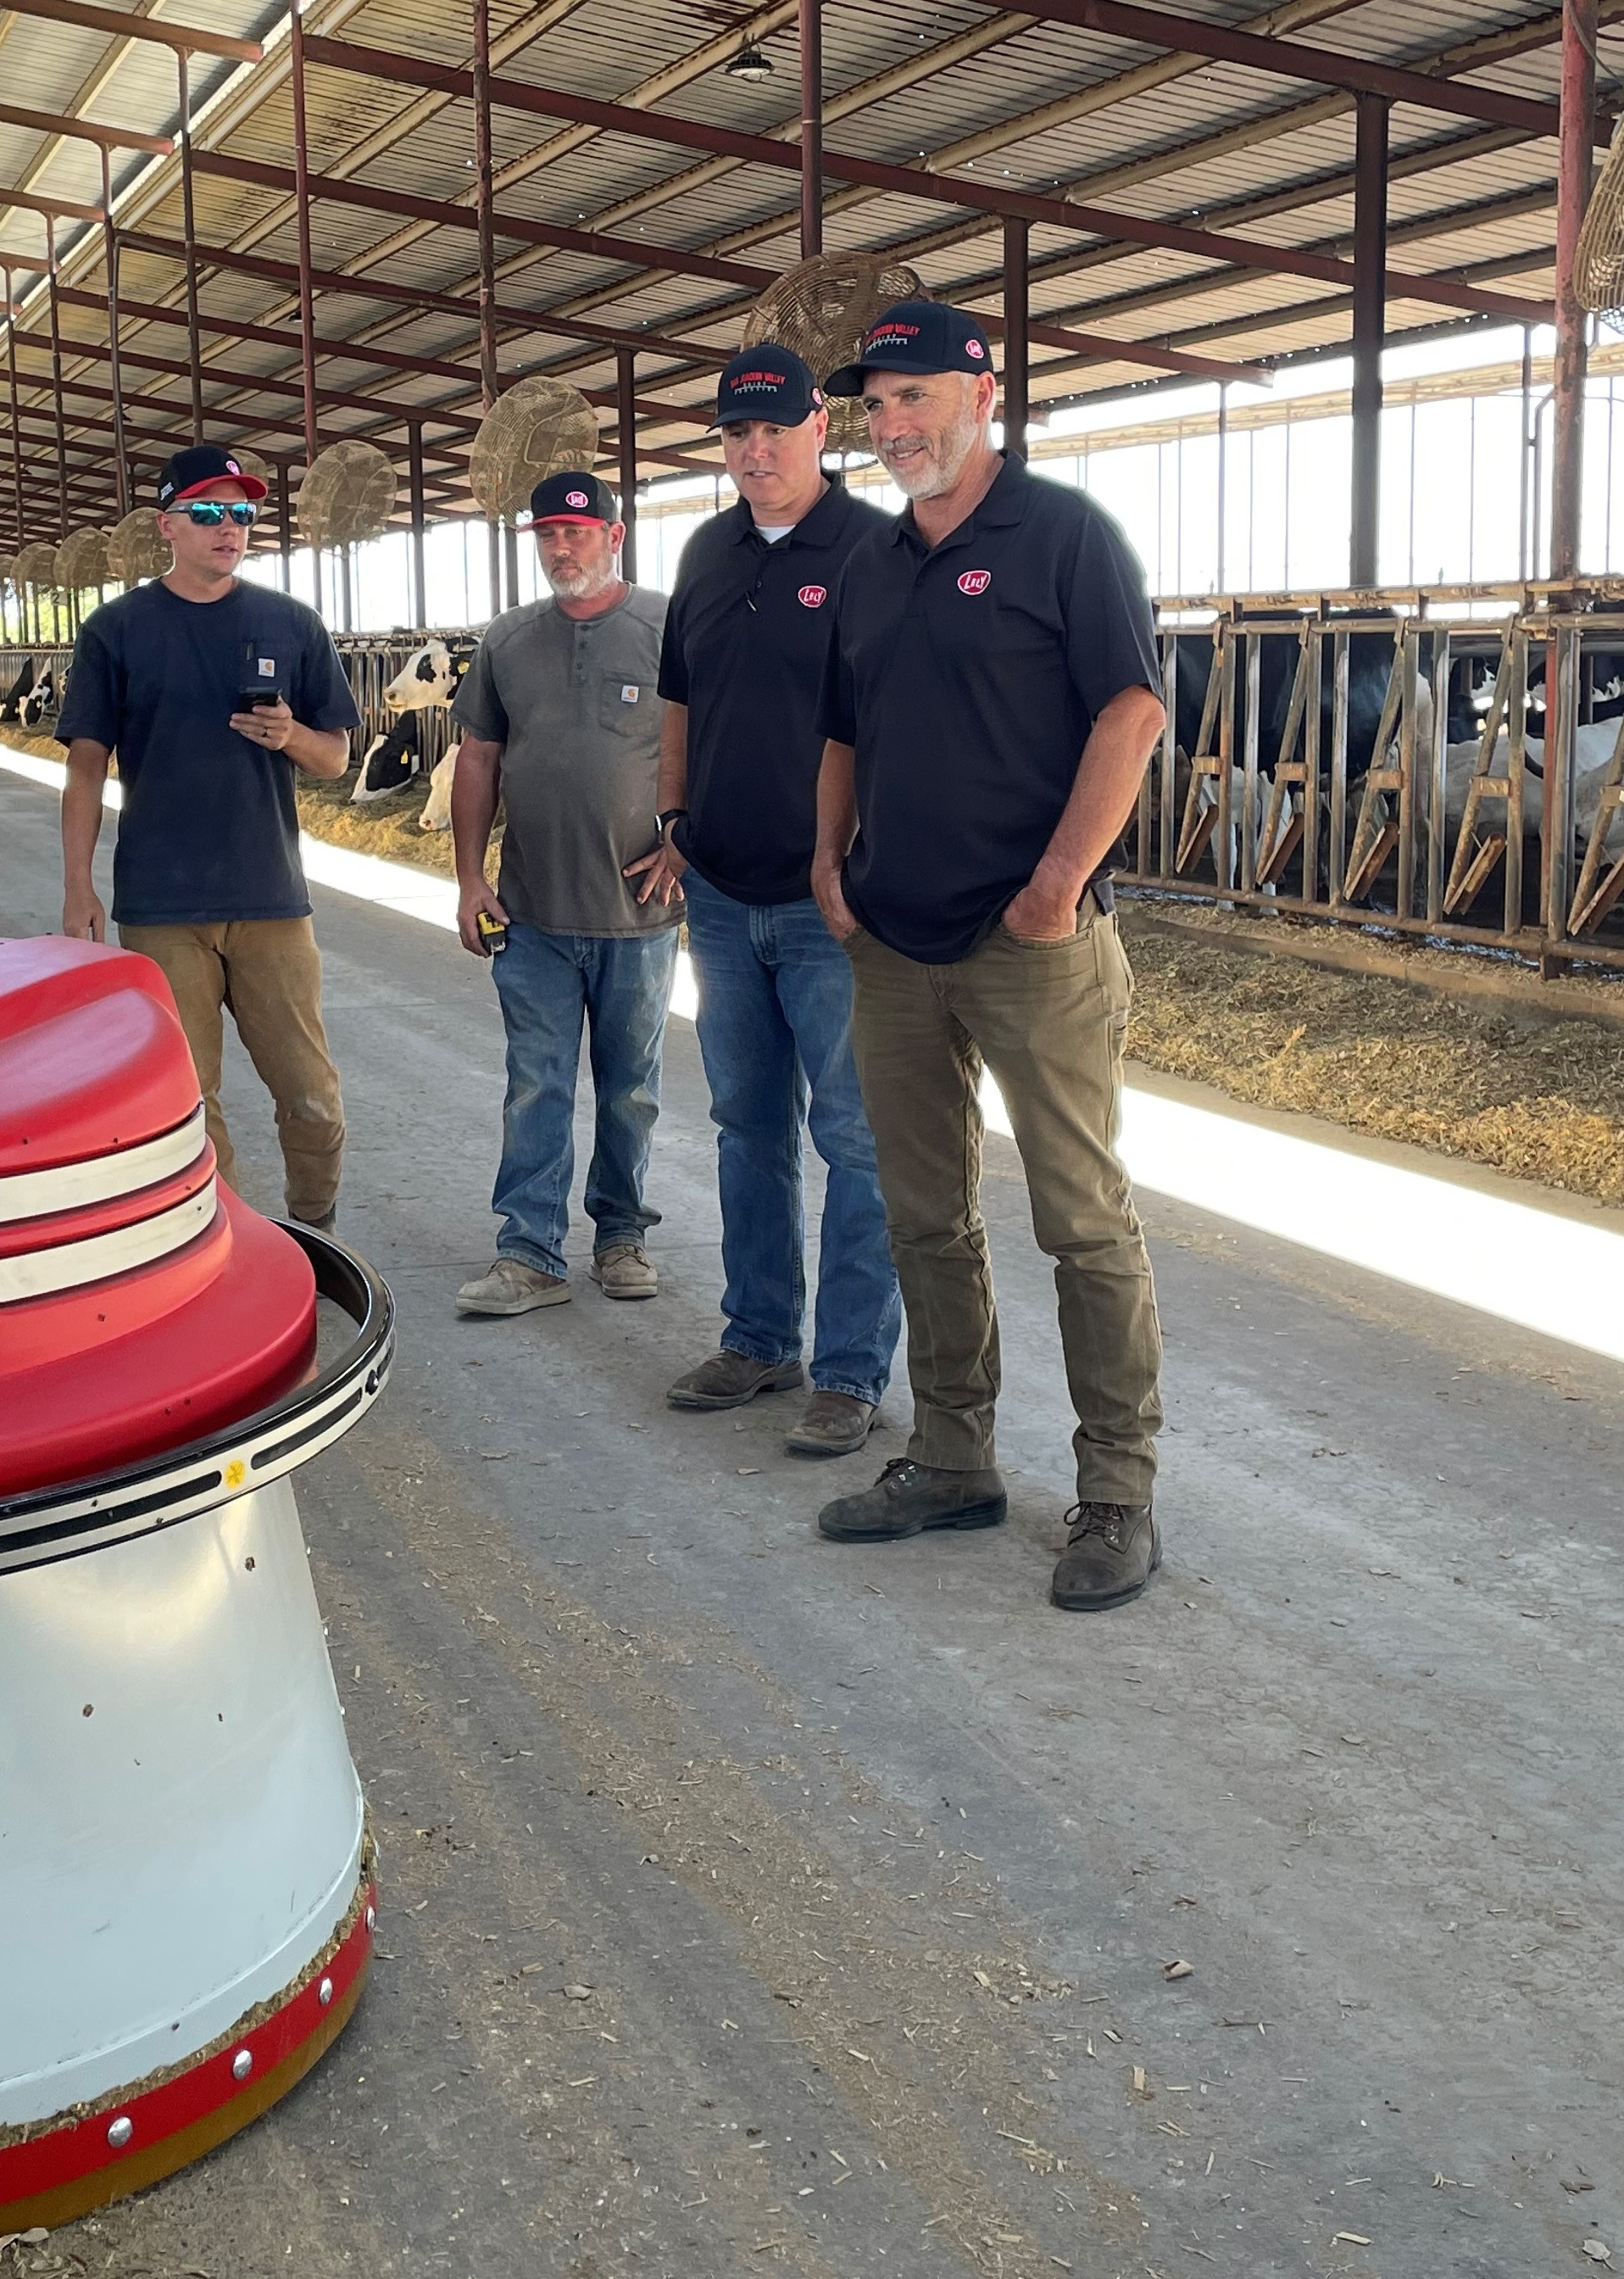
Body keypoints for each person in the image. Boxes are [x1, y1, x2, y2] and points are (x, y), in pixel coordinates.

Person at [804, 300, 1172, 1613]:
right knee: (923, 1215)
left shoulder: (1062, 537)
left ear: (983, 394)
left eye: (912, 398)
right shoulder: (869, 563)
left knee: (1078, 1221)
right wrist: (823, 861)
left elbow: (1129, 711)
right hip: (891, 945)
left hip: (1032, 944)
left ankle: (1116, 1492)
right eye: (875, 406)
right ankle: (951, 1456)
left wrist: (1057, 885)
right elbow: (841, 727)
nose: (890, 426)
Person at [634, 344, 902, 1460]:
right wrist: (671, 824)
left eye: (773, 430)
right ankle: (756, 1339)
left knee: (853, 1137)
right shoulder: (705, 548)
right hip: (721, 896)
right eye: (734, 435)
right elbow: (678, 700)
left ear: (820, 432)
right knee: (745, 1125)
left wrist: (864, 863)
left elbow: (900, 715)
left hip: (825, 908)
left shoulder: (875, 553)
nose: (753, 453)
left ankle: (845, 1374)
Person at [54, 443, 360, 1229]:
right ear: (168, 526)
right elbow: (86, 765)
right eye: (209, 513)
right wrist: (78, 886)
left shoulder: (290, 623)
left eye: (243, 514)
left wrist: (290, 734)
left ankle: (313, 1229)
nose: (230, 528)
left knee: (312, 1096)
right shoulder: (116, 629)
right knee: (189, 1101)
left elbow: (334, 758)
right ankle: (226, 1244)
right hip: (161, 904)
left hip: (270, 899)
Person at [447, 472, 676, 1317]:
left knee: (630, 1087)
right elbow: (476, 757)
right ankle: (530, 1253)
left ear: (613, 537)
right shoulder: (507, 640)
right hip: (531, 910)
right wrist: (470, 877)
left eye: (576, 532)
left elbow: (711, 739)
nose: (559, 547)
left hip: (638, 915)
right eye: (545, 533)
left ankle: (620, 1239)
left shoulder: (664, 627)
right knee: (535, 1082)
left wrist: (685, 844)